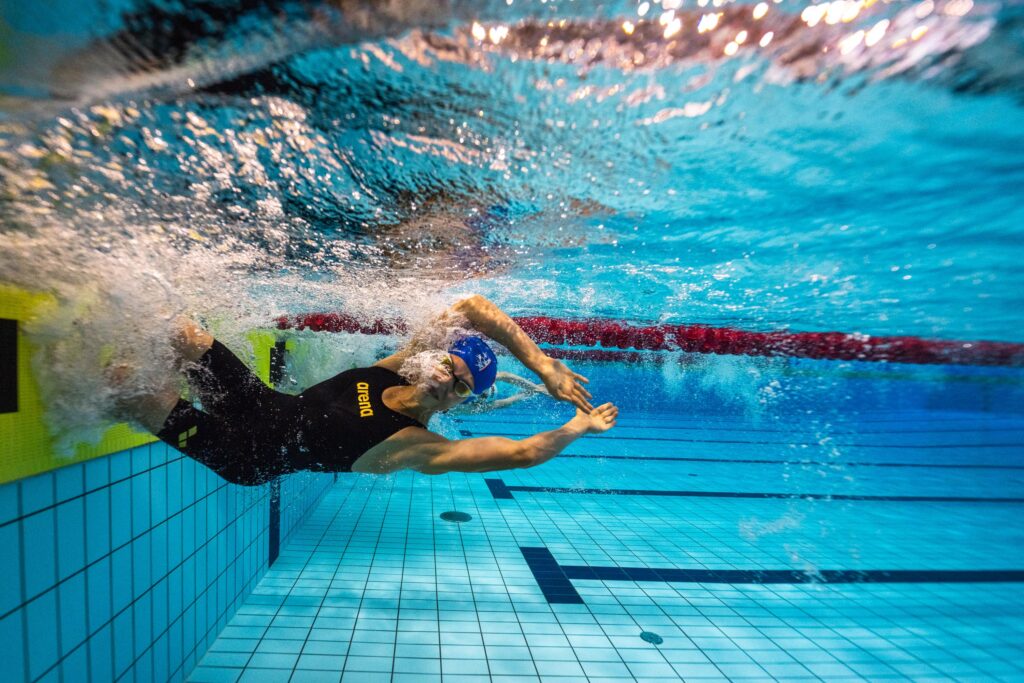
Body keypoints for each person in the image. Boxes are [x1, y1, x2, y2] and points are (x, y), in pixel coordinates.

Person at [129, 295, 618, 486]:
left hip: (246, 454)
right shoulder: (396, 368)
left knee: (130, 391)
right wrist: (543, 365)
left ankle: (132, 396)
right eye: (450, 367)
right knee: (183, 335)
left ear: (460, 401)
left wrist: (579, 425)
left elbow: (524, 453)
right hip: (254, 400)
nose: (447, 382)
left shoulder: (416, 445)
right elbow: (471, 307)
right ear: (436, 358)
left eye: (461, 387)